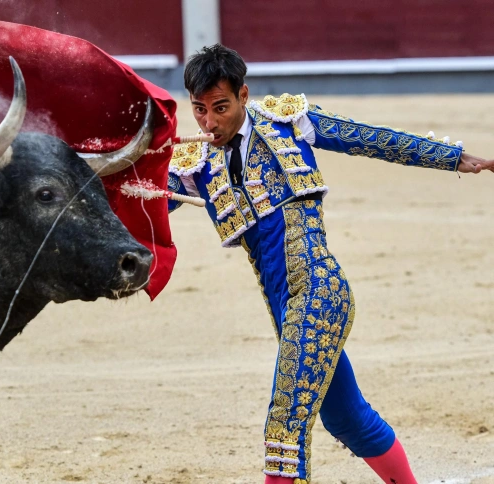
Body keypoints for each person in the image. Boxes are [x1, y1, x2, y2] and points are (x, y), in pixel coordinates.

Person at [167, 44, 494, 484]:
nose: (209, 123)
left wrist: (453, 158)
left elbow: (371, 139)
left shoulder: (289, 124)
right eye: (199, 110)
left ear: (243, 96)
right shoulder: (198, 163)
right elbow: (140, 203)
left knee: (285, 429)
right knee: (347, 419)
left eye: (220, 108)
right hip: (285, 309)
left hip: (320, 293)